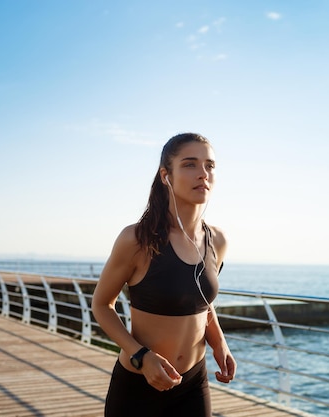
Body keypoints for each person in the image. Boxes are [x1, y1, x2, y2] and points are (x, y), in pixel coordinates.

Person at [92, 132, 236, 417]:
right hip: (139, 385)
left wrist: (219, 342)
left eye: (210, 165)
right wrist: (141, 357)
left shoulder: (217, 240)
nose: (203, 174)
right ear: (165, 175)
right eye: (190, 164)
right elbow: (101, 305)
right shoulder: (137, 240)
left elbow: (202, 304)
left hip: (193, 383)